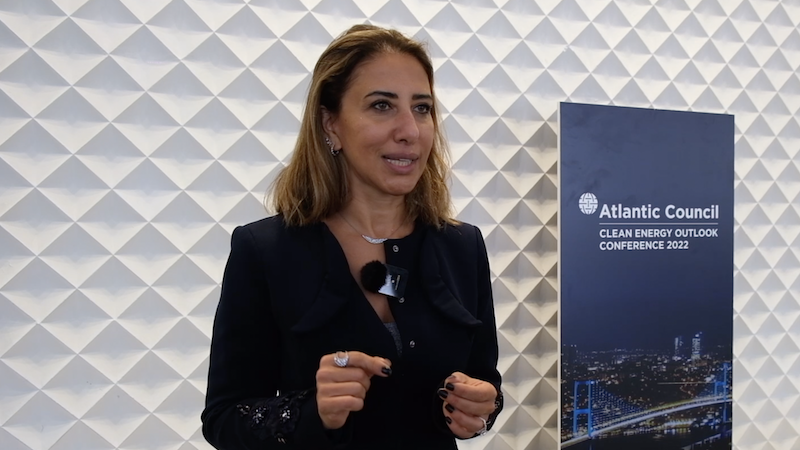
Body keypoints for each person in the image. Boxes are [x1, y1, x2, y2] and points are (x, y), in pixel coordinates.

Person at [201, 24, 503, 450]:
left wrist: (482, 406)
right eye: (382, 105)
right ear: (331, 124)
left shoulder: (462, 246)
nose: (410, 130)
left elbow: (484, 382)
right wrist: (313, 411)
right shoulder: (265, 251)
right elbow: (224, 419)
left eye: (422, 108)